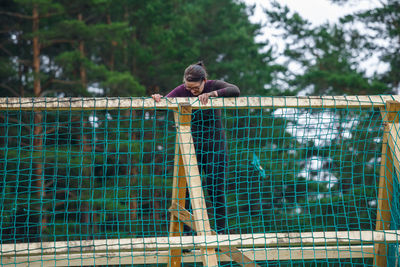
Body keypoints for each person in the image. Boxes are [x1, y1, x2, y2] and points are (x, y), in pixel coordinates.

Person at [152, 61, 240, 234]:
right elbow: (164, 105)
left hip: (216, 146)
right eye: (188, 87)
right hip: (191, 146)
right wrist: (158, 99)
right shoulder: (182, 90)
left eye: (195, 88)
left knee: (215, 188)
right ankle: (186, 234)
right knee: (186, 190)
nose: (191, 91)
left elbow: (235, 90)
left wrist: (213, 94)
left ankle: (221, 232)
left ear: (204, 81)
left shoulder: (213, 86)